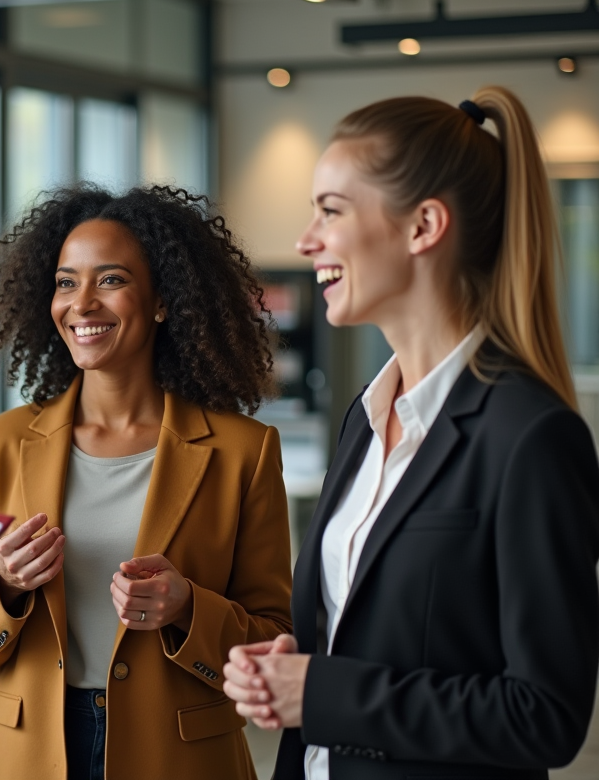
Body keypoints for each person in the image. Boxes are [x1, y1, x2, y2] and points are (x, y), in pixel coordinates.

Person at [222, 88, 599, 779]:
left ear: (423, 225)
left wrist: (324, 692)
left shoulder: (531, 437)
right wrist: (295, 669)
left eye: (330, 211)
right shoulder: (364, 420)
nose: (306, 241)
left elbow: (546, 716)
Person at [0, 184, 295, 780]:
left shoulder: (243, 452)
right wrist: (3, 585)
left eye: (110, 280)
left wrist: (188, 607)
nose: (82, 303)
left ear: (161, 301)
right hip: (27, 755)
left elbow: (275, 639)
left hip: (179, 755)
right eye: (65, 282)